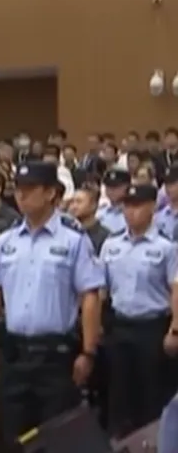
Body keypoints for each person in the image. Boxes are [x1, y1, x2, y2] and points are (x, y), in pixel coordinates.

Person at [0, 161, 105, 447]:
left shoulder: (74, 240)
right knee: (14, 436)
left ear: (51, 193)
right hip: (14, 353)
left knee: (56, 436)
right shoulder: (5, 241)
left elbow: (90, 296)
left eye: (30, 189)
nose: (21, 195)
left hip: (55, 356)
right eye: (18, 189)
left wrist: (88, 352)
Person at [100, 184, 178, 437]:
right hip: (120, 324)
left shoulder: (166, 247)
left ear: (152, 207)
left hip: (152, 327)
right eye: (127, 206)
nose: (130, 212)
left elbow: (176, 290)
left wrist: (175, 330)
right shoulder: (111, 245)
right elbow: (101, 289)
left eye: (137, 206)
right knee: (118, 391)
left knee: (151, 392)